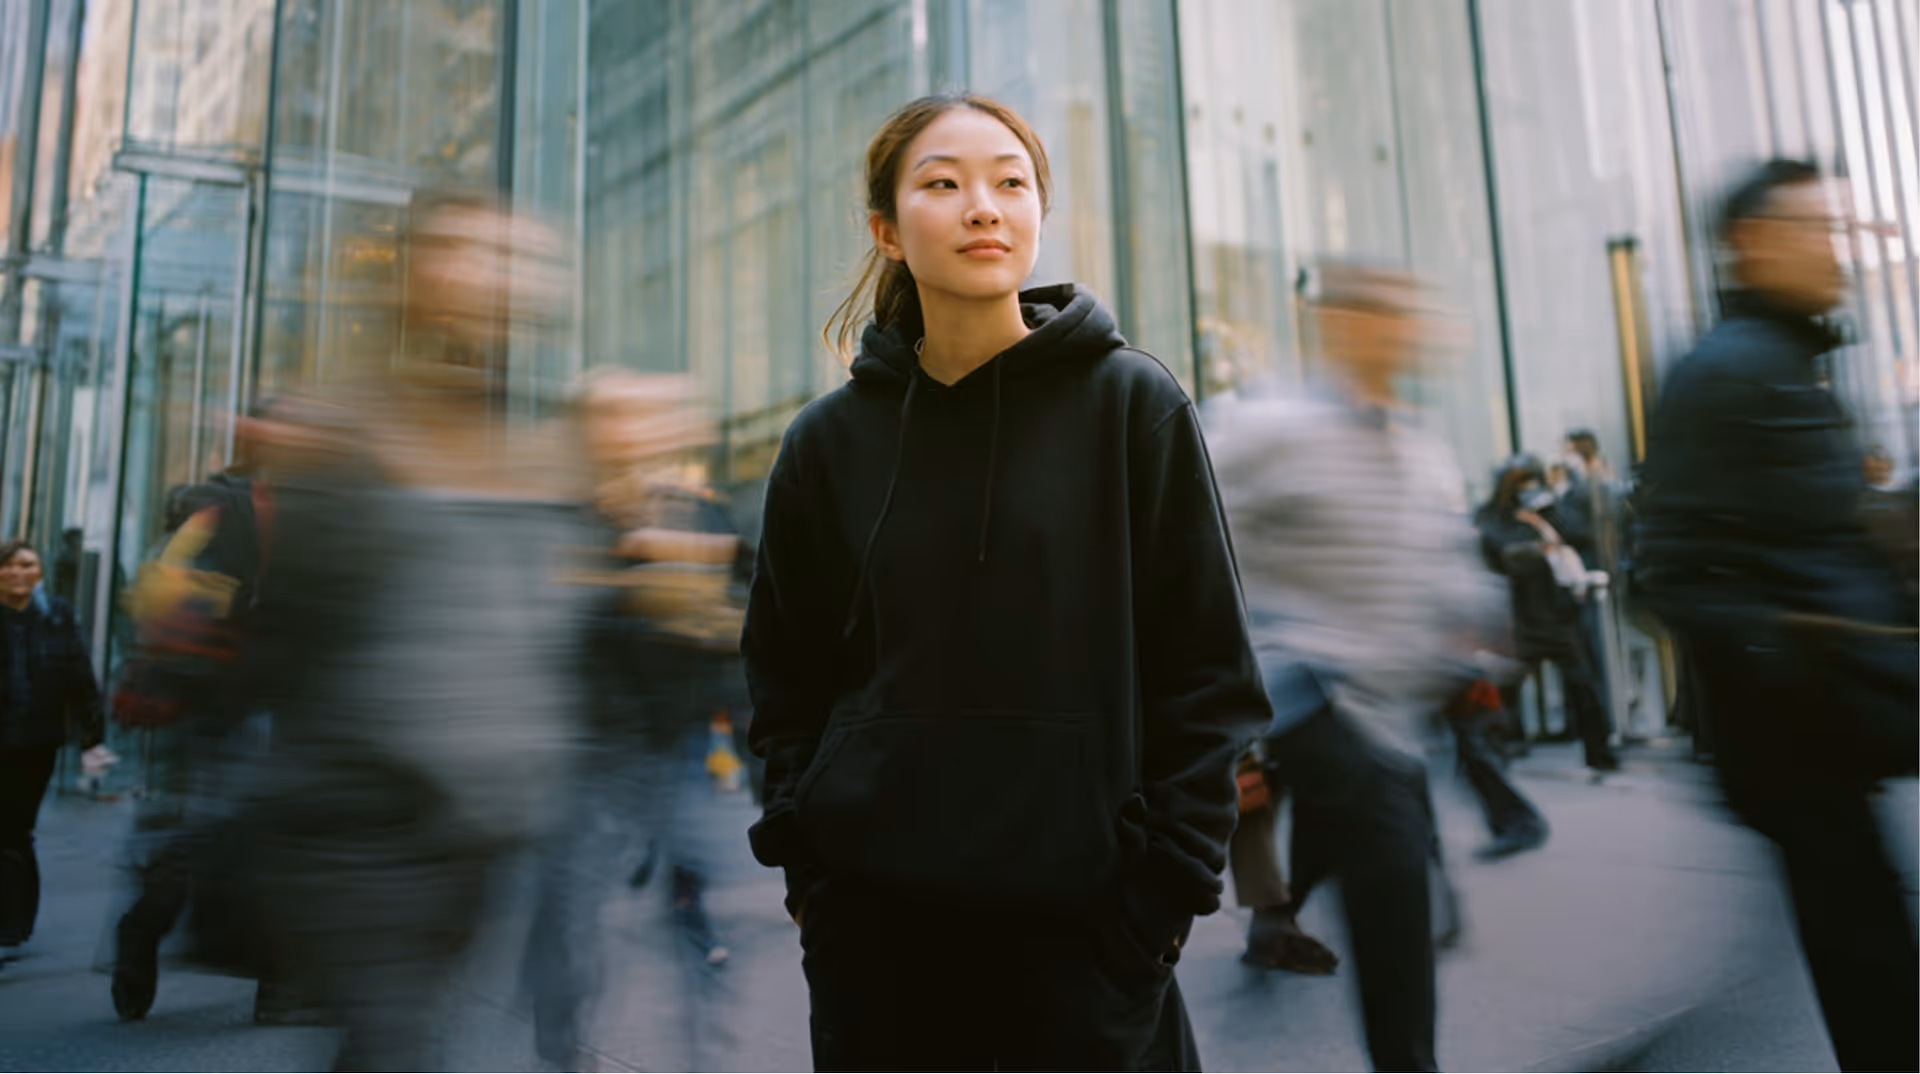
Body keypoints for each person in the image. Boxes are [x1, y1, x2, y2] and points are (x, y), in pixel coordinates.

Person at [742, 93, 1266, 1071]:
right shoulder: (826, 446)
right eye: (943, 184)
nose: (984, 206)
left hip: (1090, 944)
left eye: (1010, 182)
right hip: (879, 951)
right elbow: (785, 680)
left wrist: (1158, 909)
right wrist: (812, 880)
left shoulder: (1132, 408)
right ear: (886, 231)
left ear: (1036, 212)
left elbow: (1208, 675)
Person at [238, 190, 587, 1071]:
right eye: (469, 253)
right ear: (413, 277)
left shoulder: (538, 445)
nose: (496, 278)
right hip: (361, 825)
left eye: (518, 260)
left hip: (480, 828)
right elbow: (292, 633)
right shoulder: (350, 427)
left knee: (401, 1041)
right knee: (397, 1043)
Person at [1637, 158, 1918, 1072]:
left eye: (1841, 228)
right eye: (1814, 229)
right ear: (1752, 244)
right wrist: (1793, 650)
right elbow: (1665, 567)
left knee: (1871, 947)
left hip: (1837, 722)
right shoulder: (1725, 373)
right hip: (1802, 735)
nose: (1836, 249)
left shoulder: (1793, 361)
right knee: (1869, 959)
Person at [1205, 263, 1504, 1072]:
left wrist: (1472, 629)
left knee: (1387, 888)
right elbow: (1199, 555)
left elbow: (1438, 570)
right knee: (1394, 877)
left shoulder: (1415, 444)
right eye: (1385, 314)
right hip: (1309, 694)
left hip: (1389, 715)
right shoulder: (1268, 429)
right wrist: (1225, 716)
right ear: (1337, 324)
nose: (1406, 330)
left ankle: (1284, 923)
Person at [1476, 458, 1620, 773]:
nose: (1530, 489)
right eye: (1522, 482)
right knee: (1507, 689)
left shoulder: (1545, 512)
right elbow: (1500, 554)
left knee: (1582, 684)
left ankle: (1599, 752)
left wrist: (1543, 524)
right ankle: (1500, 748)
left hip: (1553, 614)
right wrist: (1537, 545)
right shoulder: (1492, 518)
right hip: (1518, 617)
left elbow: (1578, 535)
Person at [0, 539, 105, 958]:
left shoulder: (56, 615)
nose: (19, 573)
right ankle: (12, 921)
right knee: (8, 830)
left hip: (37, 740)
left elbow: (79, 672)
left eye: (28, 565)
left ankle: (14, 922)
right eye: (10, 566)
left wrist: (92, 735)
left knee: (14, 828)